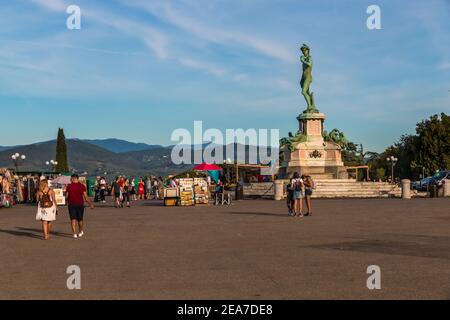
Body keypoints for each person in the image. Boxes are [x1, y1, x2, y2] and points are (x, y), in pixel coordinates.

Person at [66, 174, 94, 239]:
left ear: (72, 179)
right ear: (77, 179)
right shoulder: (82, 186)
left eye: (71, 179)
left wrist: (66, 200)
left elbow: (67, 196)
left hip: (71, 205)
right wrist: (90, 204)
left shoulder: (69, 186)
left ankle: (74, 233)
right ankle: (80, 231)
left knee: (73, 219)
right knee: (80, 220)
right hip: (80, 205)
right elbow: (86, 196)